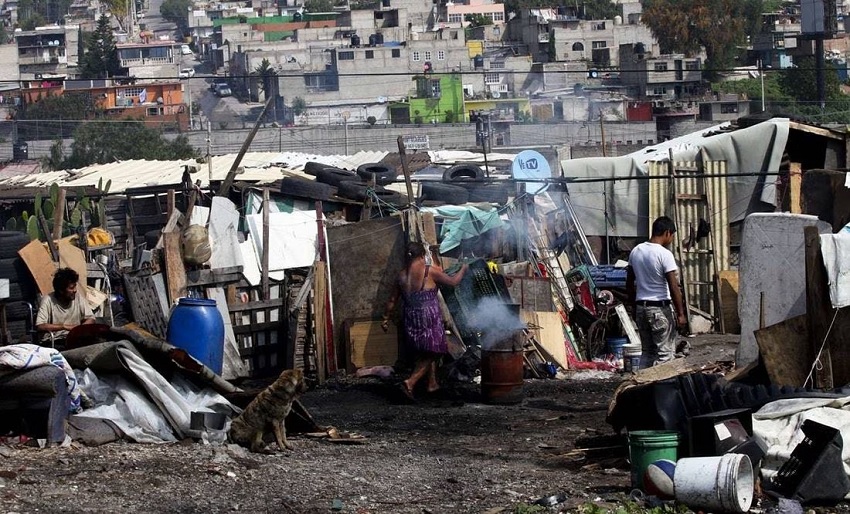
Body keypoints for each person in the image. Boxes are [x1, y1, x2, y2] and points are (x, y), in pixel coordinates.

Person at [382, 242, 468, 401]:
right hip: (428, 317)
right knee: (436, 350)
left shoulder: (401, 275)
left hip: (410, 317)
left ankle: (432, 384)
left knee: (425, 350)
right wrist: (463, 269)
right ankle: (409, 383)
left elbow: (392, 300)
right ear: (422, 255)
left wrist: (386, 318)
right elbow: (453, 281)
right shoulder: (429, 271)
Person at [626, 216, 687, 368]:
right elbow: (673, 286)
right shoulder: (664, 254)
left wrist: (634, 307)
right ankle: (663, 383)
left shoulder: (636, 251)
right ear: (667, 233)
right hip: (659, 309)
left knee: (647, 352)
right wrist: (680, 314)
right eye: (672, 235)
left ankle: (641, 382)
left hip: (641, 307)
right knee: (665, 355)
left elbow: (629, 283)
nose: (672, 239)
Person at [36, 267, 96, 349]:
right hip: (54, 341)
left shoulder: (78, 297)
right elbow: (40, 326)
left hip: (74, 338)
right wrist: (64, 326)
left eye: (75, 287)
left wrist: (80, 329)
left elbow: (91, 318)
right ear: (61, 290)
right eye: (71, 288)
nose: (75, 290)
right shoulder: (48, 300)